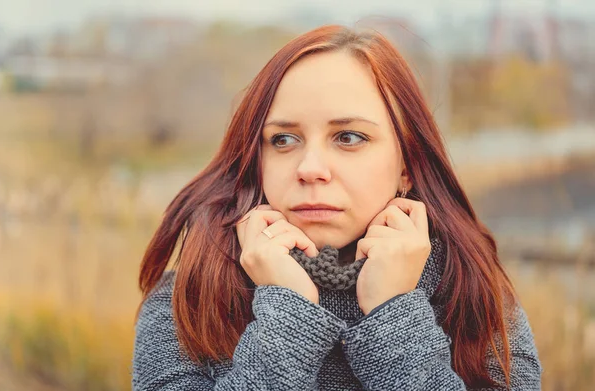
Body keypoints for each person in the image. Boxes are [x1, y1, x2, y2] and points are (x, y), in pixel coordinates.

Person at [131, 24, 543, 390]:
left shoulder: (473, 297)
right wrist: (287, 315)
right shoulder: (188, 302)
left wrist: (394, 314)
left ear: (407, 166)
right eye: (283, 140)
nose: (310, 169)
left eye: (348, 137)